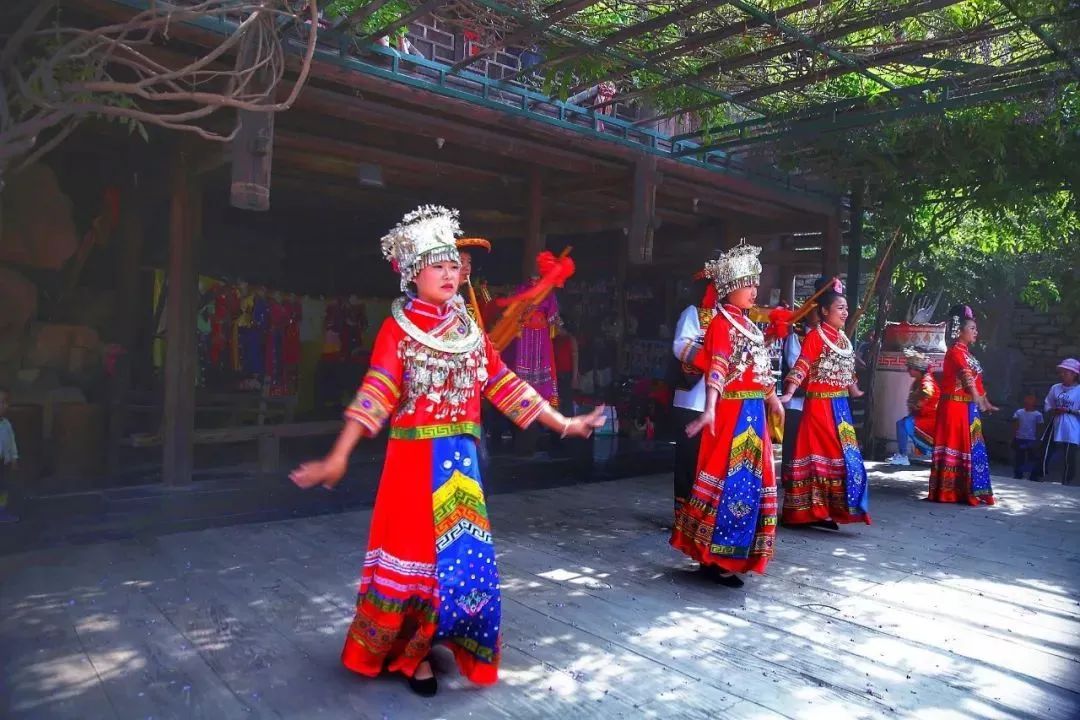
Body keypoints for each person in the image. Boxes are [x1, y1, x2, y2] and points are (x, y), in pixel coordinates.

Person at [290, 206, 605, 696]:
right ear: (413, 273)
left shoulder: (468, 330)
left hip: (461, 465)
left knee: (463, 562)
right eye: (437, 265)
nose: (449, 273)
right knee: (416, 560)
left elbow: (503, 384)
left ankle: (443, 638)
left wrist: (564, 423)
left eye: (454, 265)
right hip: (413, 466)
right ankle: (411, 654)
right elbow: (376, 394)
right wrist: (339, 455)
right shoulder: (398, 330)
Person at [671, 243, 782, 588]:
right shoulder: (721, 323)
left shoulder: (750, 326)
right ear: (730, 286)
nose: (754, 289)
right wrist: (709, 409)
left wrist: (774, 400)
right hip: (731, 413)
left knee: (751, 484)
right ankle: (715, 557)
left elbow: (760, 371)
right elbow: (717, 368)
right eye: (747, 283)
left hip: (753, 414)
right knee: (728, 482)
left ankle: (735, 554)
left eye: (755, 282)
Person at [778, 284, 870, 529]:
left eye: (846, 308)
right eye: (840, 308)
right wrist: (789, 393)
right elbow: (802, 365)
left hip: (840, 408)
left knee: (845, 458)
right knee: (822, 456)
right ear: (825, 311)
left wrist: (855, 391)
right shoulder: (815, 336)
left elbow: (848, 372)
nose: (845, 312)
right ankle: (804, 512)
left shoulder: (843, 339)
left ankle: (827, 510)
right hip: (819, 407)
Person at [927, 305, 998, 505]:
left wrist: (985, 402)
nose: (976, 332)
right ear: (960, 331)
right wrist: (976, 397)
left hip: (968, 409)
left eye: (976, 329)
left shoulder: (969, 355)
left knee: (972, 448)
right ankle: (949, 491)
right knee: (955, 446)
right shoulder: (955, 352)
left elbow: (977, 381)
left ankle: (970, 489)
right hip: (954, 407)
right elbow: (966, 376)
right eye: (972, 328)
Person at [670, 276, 717, 513]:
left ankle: (704, 512)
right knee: (688, 458)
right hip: (692, 397)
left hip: (718, 401)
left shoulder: (728, 316)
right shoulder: (694, 313)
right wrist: (711, 358)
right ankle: (683, 512)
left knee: (710, 460)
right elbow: (680, 345)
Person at [887, 348, 940, 466]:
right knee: (902, 423)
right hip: (924, 416)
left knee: (903, 424)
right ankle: (903, 455)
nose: (908, 370)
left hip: (930, 419)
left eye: (910, 368)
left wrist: (920, 403)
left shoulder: (926, 380)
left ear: (917, 369)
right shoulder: (920, 380)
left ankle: (903, 456)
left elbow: (928, 391)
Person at [1032, 358, 1080, 485]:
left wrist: (1069, 410)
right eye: (1061, 372)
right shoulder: (1055, 388)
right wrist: (1053, 410)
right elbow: (1048, 404)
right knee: (1045, 448)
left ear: (1074, 374)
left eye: (1066, 372)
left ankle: (1067, 480)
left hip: (1072, 425)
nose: (1062, 375)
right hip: (1056, 421)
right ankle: (1038, 476)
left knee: (1069, 453)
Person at [1011, 395, 1044, 479]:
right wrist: (1014, 436)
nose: (1027, 405)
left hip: (1031, 439)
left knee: (1033, 458)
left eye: (1029, 403)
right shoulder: (1019, 412)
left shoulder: (1038, 415)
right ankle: (1018, 474)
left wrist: (1038, 440)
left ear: (1033, 404)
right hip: (1020, 438)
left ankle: (1033, 476)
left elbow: (1039, 427)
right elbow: (1015, 424)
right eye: (1026, 403)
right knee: (1019, 457)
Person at [0, 387, 19, 523]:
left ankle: (1, 512)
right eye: (1, 402)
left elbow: (12, 442)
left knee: (3, 488)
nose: (4, 405)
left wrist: (14, 458)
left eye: (6, 402)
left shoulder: (6, 424)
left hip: (3, 462)